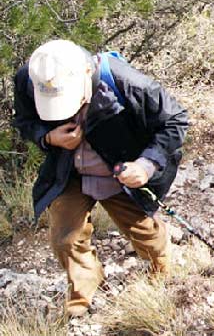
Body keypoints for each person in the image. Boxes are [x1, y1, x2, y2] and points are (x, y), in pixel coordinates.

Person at [13, 40, 189, 317]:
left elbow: (175, 120)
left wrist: (145, 165)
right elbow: (24, 122)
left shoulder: (125, 81)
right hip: (68, 170)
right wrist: (48, 137)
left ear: (87, 73)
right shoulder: (33, 77)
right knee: (65, 239)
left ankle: (162, 265)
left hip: (119, 168)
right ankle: (84, 290)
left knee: (143, 232)